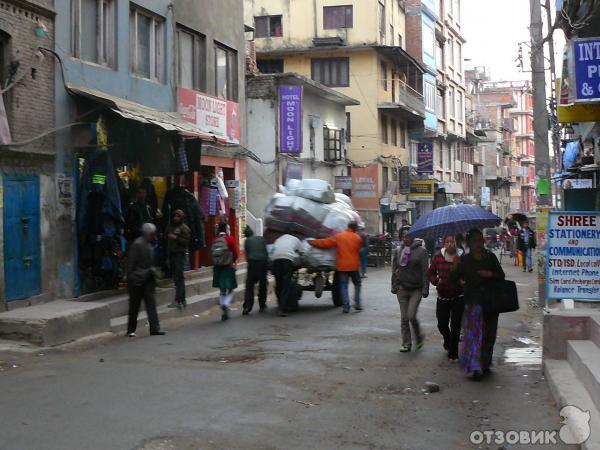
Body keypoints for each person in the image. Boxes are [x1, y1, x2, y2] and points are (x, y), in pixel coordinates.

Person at [450, 228, 505, 380]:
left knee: (489, 335)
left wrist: (490, 274)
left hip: (490, 302)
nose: (478, 243)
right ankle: (474, 367)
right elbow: (453, 278)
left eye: (480, 240)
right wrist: (455, 268)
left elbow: (501, 276)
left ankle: (485, 363)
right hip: (472, 301)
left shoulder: (490, 258)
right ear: (469, 243)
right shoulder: (464, 260)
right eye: (474, 241)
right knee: (473, 336)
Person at [310, 221, 363, 313]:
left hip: (342, 266)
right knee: (357, 284)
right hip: (354, 266)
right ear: (355, 228)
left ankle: (346, 306)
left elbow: (325, 243)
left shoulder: (339, 236)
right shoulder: (358, 238)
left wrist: (312, 242)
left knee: (343, 286)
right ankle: (357, 303)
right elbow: (359, 251)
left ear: (348, 226)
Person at [392, 230, 429, 352]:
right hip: (402, 289)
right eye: (403, 236)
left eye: (408, 236)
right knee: (404, 318)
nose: (405, 238)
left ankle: (418, 337)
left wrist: (425, 289)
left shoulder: (421, 251)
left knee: (411, 315)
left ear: (413, 236)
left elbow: (425, 272)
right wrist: (394, 286)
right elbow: (395, 269)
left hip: (416, 289)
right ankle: (406, 343)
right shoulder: (398, 250)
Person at [126, 223, 165, 337]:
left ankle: (155, 328)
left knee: (150, 304)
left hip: (147, 278)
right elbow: (131, 264)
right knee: (134, 306)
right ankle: (131, 329)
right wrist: (131, 278)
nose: (154, 236)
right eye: (152, 234)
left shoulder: (147, 244)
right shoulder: (138, 244)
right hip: (137, 279)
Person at [428, 236, 464, 360]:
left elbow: (468, 273)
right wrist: (436, 281)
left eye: (452, 242)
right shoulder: (438, 256)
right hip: (442, 296)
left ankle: (453, 352)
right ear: (444, 244)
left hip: (458, 296)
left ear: (456, 243)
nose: (450, 244)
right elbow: (431, 272)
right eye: (447, 242)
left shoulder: (462, 257)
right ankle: (447, 339)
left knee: (455, 325)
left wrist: (463, 280)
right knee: (442, 324)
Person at [211, 222, 238, 321]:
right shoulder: (230, 239)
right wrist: (234, 261)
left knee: (222, 290)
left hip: (218, 267)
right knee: (231, 288)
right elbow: (235, 253)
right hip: (228, 266)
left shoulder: (215, 240)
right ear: (226, 229)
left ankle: (223, 306)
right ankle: (226, 304)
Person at [270, 234, 302, 317]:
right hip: (287, 261)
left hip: (275, 261)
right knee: (286, 285)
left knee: (279, 283)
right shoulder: (296, 239)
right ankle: (282, 309)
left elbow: (272, 251)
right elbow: (301, 252)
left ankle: (280, 304)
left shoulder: (278, 239)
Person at [165, 209, 191, 310]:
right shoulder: (170, 226)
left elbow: (186, 242)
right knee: (177, 278)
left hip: (180, 255)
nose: (176, 218)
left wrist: (176, 238)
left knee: (179, 277)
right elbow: (167, 242)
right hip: (172, 254)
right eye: (175, 216)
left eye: (178, 216)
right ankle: (181, 299)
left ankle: (179, 299)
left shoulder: (184, 228)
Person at [243, 226, 269, 315]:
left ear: (246, 235)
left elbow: (247, 255)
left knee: (249, 285)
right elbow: (266, 251)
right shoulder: (261, 239)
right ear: (253, 233)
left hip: (252, 263)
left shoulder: (247, 241)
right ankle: (262, 305)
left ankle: (247, 306)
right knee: (263, 284)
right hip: (263, 262)